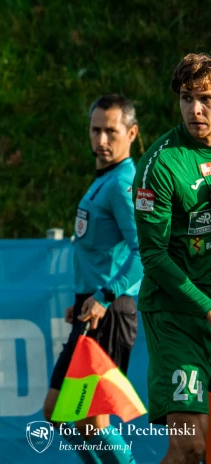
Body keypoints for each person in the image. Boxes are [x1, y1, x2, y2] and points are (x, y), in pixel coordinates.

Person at [43, 94, 142, 464]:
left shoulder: (123, 184)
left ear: (131, 133)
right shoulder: (105, 179)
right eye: (95, 130)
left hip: (109, 311)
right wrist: (84, 296)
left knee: (93, 421)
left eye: (110, 132)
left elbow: (145, 253)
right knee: (57, 411)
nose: (101, 140)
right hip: (91, 307)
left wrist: (103, 294)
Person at [133, 54, 211, 464]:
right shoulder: (161, 164)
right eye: (186, 98)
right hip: (176, 315)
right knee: (189, 447)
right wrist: (206, 307)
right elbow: (153, 256)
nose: (195, 109)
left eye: (206, 99)